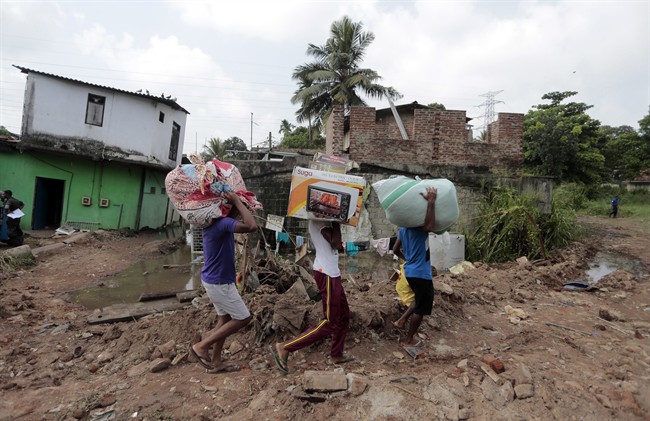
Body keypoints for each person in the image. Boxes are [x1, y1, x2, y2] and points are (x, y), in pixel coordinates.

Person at [270, 220, 353, 374]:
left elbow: (337, 246)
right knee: (330, 322)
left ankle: (337, 354)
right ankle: (285, 347)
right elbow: (336, 243)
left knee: (344, 316)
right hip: (326, 273)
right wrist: (338, 221)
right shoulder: (318, 220)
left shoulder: (326, 220)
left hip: (332, 273)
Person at [189, 191, 256, 373]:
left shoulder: (214, 223)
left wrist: (237, 202)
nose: (240, 212)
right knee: (243, 318)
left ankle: (216, 362)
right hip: (219, 283)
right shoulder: (223, 224)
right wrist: (237, 201)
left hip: (215, 280)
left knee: (225, 318)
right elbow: (251, 226)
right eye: (238, 209)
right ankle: (201, 347)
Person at [391, 187, 437, 347]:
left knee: (418, 300)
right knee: (421, 309)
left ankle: (401, 320)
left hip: (410, 272)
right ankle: (409, 339)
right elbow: (430, 226)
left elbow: (395, 250)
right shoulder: (419, 229)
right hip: (421, 273)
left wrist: (409, 259)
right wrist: (431, 203)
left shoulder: (403, 230)